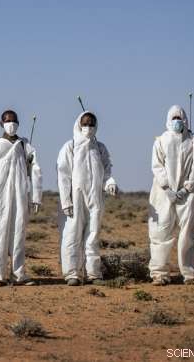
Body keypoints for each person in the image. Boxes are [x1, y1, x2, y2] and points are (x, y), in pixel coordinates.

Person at [148, 105, 194, 286]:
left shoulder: (193, 140)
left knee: (187, 232)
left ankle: (190, 274)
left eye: (179, 118)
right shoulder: (160, 140)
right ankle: (159, 274)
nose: (176, 121)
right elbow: (157, 166)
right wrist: (167, 188)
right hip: (162, 193)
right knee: (160, 231)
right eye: (173, 118)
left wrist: (185, 189)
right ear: (168, 119)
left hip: (187, 194)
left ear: (185, 119)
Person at [57, 111, 118, 286]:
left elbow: (107, 171)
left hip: (96, 198)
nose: (88, 127)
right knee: (72, 234)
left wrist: (110, 183)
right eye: (85, 123)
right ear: (78, 124)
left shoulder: (100, 148)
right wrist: (65, 201)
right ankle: (72, 274)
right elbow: (63, 176)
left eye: (91, 123)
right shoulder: (70, 146)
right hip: (75, 198)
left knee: (93, 234)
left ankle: (93, 273)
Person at [0, 110, 42, 286]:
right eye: (8, 120)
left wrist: (36, 196)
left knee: (18, 233)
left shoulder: (25, 145)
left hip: (20, 195)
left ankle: (18, 274)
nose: (11, 123)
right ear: (1, 123)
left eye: (14, 120)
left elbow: (36, 169)